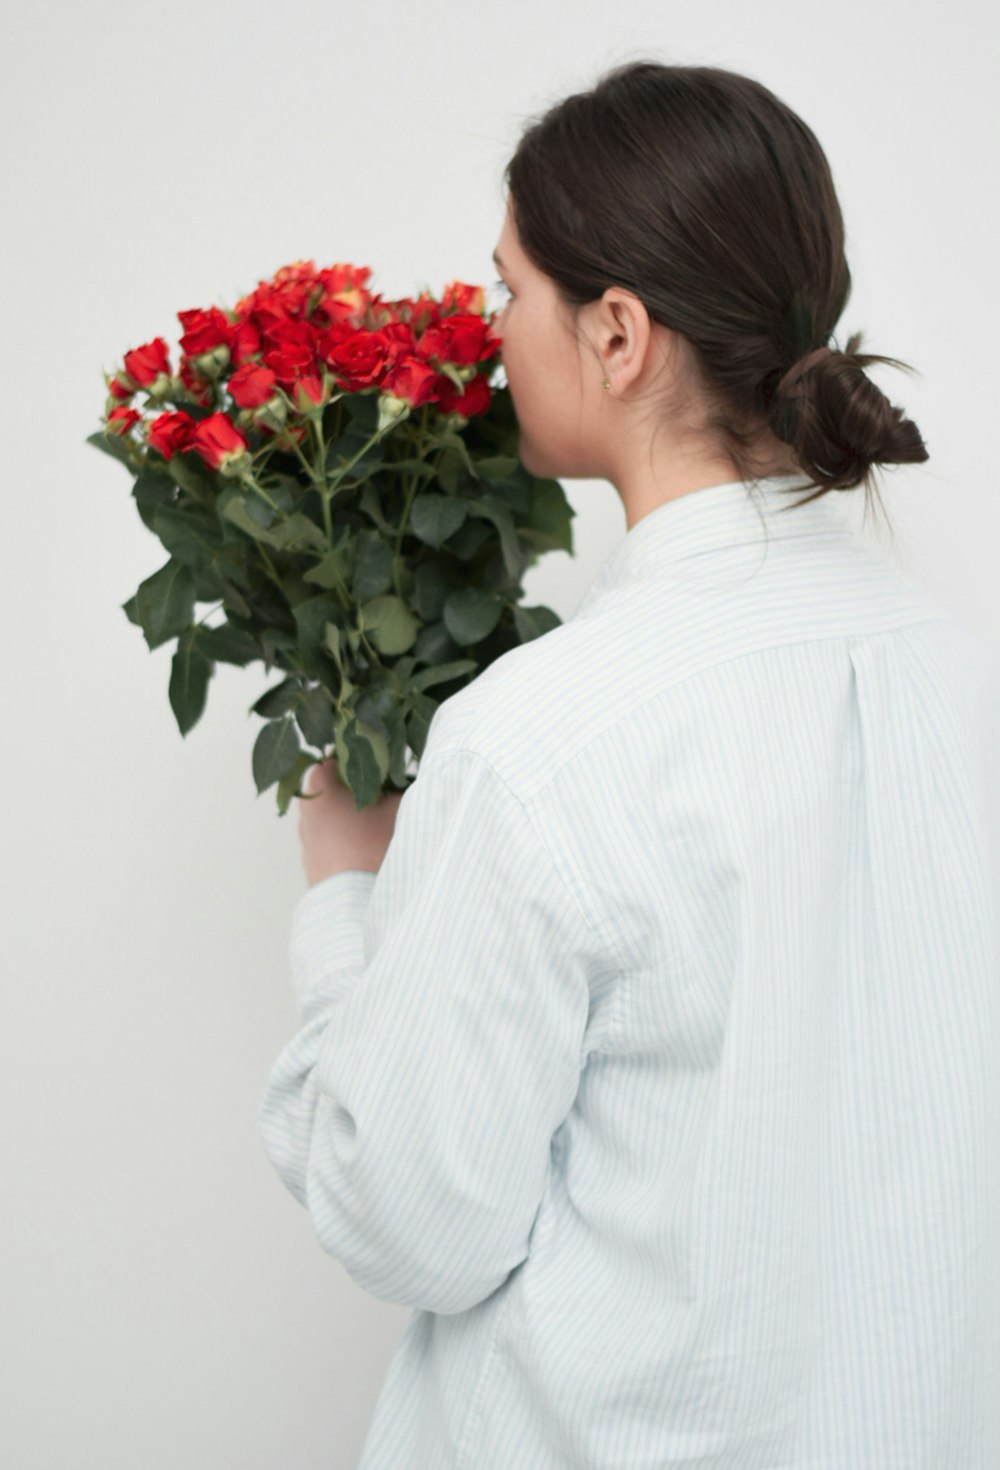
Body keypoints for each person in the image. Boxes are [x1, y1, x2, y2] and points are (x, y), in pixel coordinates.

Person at [257, 59, 999, 1468]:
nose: (489, 335)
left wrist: (345, 904)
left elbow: (409, 1218)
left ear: (615, 334)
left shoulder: (541, 740)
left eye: (508, 291)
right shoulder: (962, 682)